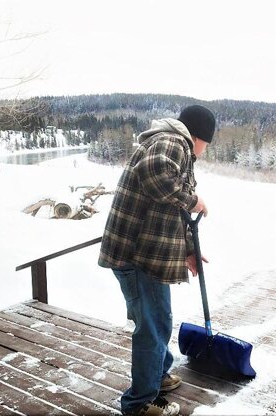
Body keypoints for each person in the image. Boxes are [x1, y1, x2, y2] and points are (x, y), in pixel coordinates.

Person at [98, 105, 216, 416]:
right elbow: (154, 174)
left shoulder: (173, 145)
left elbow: (170, 211)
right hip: (136, 256)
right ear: (199, 136)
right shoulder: (173, 143)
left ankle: (157, 376)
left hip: (147, 255)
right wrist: (195, 201)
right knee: (151, 327)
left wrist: (188, 249)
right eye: (207, 143)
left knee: (160, 320)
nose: (204, 151)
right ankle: (139, 404)